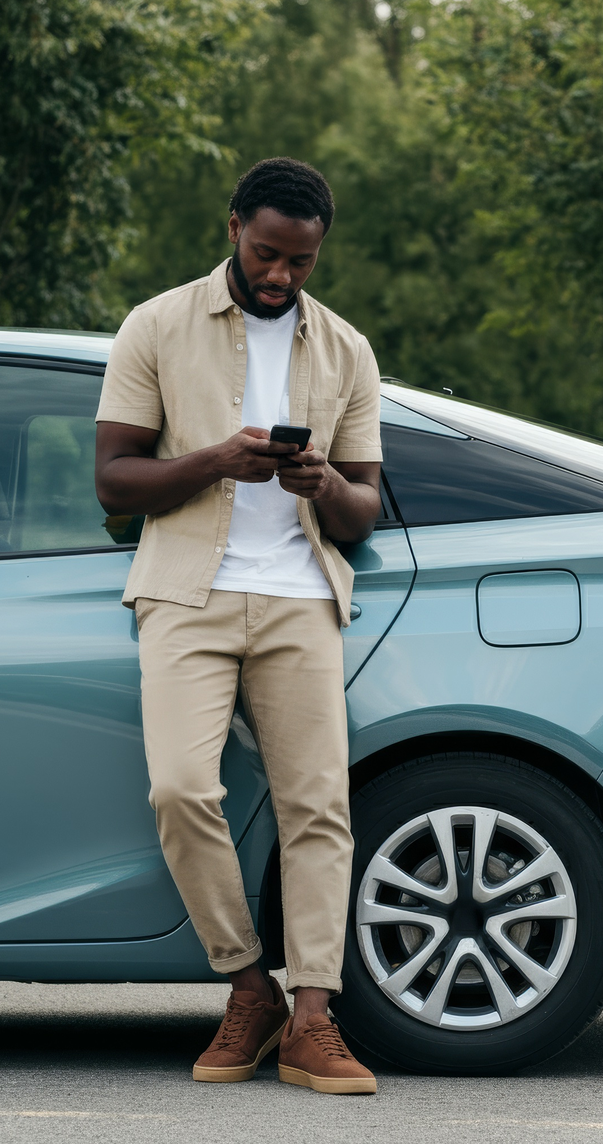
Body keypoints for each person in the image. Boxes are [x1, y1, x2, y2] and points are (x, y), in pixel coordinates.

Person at [95, 157, 382, 1095]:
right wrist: (218, 460)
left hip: (301, 595)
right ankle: (245, 985)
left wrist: (323, 485)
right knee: (181, 791)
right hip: (185, 590)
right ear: (233, 229)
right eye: (267, 255)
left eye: (300, 263)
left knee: (317, 809)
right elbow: (114, 479)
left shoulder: (346, 350)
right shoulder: (156, 325)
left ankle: (310, 1016)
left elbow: (365, 505)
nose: (281, 277)